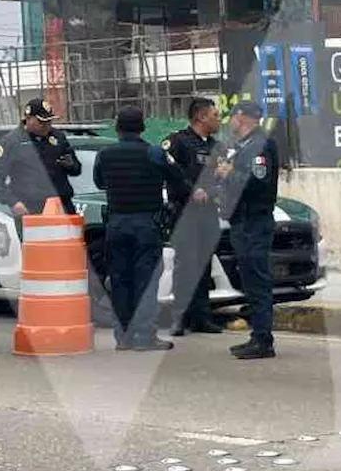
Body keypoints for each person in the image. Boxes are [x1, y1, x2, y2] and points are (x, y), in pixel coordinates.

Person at [93, 106, 190, 352]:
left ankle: (123, 337)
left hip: (116, 223)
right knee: (145, 281)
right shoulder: (154, 153)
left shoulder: (105, 154)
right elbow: (178, 177)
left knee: (119, 280)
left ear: (117, 128)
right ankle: (144, 336)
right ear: (143, 128)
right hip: (146, 224)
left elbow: (99, 182)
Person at [215, 101, 279, 360]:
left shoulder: (261, 145)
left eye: (232, 116)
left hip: (255, 221)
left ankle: (263, 339)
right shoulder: (243, 146)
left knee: (258, 280)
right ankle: (257, 336)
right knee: (250, 281)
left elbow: (258, 183)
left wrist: (230, 173)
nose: (229, 121)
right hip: (242, 221)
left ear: (241, 117)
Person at [163, 98, 226, 336]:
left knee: (203, 265)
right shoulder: (178, 141)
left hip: (208, 211)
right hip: (184, 211)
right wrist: (192, 191)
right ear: (200, 117)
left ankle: (201, 317)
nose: (218, 120)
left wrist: (211, 191)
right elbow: (169, 171)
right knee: (185, 265)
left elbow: (221, 177)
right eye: (214, 115)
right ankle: (179, 318)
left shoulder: (216, 147)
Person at [0, 97, 82, 232]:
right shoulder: (12, 142)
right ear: (28, 119)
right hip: (31, 209)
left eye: (49, 121)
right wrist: (13, 202)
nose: (47, 126)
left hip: (61, 207)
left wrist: (71, 165)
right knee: (37, 251)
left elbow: (76, 169)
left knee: (68, 249)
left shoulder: (58, 137)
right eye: (42, 122)